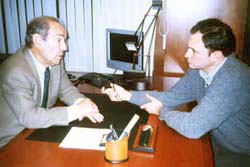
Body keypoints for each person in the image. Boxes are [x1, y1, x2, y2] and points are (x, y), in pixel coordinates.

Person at [102, 18, 250, 166]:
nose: (186, 55)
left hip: (241, 154)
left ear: (216, 55)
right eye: (189, 48)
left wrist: (161, 112)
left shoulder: (232, 79)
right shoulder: (199, 70)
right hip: (220, 143)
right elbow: (170, 97)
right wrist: (127, 95)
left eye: (194, 51)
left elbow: (193, 127)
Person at [0, 16, 104, 148]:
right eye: (59, 40)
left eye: (65, 41)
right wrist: (76, 111)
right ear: (38, 41)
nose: (65, 47)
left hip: (38, 131)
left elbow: (65, 89)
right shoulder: (15, 72)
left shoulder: (54, 61)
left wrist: (81, 102)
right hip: (12, 143)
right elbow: (29, 117)